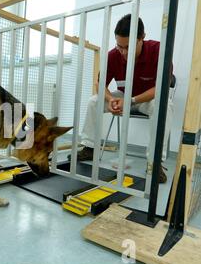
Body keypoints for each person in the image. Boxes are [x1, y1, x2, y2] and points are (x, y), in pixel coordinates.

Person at [71, 14, 174, 183]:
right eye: (120, 46)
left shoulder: (159, 50)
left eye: (128, 47)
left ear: (142, 38)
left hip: (147, 98)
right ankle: (89, 147)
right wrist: (111, 98)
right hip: (123, 96)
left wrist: (131, 101)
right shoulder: (113, 55)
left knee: (165, 106)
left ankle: (155, 163)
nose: (124, 52)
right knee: (94, 101)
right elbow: (100, 84)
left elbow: (161, 88)